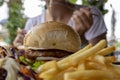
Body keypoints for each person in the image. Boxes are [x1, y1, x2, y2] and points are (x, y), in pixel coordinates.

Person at [13, 0, 107, 48]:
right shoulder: (32, 23)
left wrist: (80, 38)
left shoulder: (88, 14)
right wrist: (19, 48)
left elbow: (102, 57)